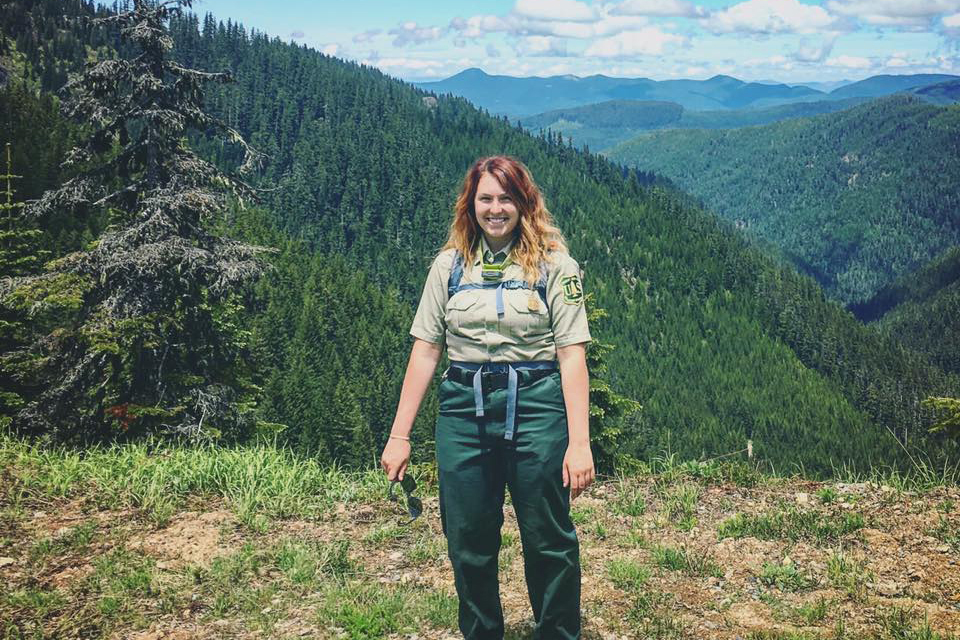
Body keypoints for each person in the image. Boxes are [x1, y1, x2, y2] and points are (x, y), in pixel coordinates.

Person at [380, 155, 594, 640]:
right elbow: (426, 349)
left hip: (536, 408)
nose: (496, 209)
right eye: (486, 199)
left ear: (524, 203)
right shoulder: (449, 267)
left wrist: (579, 443)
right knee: (467, 537)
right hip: (464, 410)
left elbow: (571, 355)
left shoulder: (555, 266)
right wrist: (399, 435)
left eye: (506, 198)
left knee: (547, 536)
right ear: (470, 204)